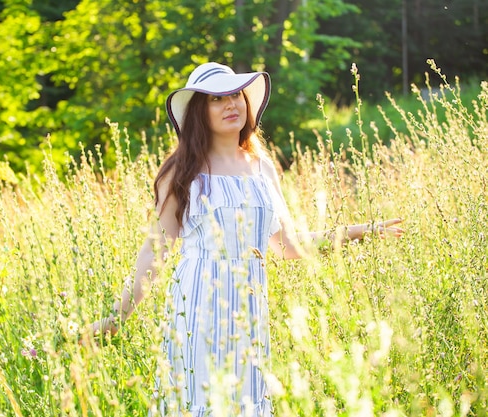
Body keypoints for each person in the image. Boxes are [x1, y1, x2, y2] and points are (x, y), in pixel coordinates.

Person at [87, 62, 403, 416]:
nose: (231, 104)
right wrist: (118, 316)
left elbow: (288, 245)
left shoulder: (262, 167)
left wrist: (357, 231)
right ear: (198, 112)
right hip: (198, 307)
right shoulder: (182, 171)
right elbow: (156, 250)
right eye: (217, 99)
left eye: (235, 94)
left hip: (250, 308)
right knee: (199, 400)